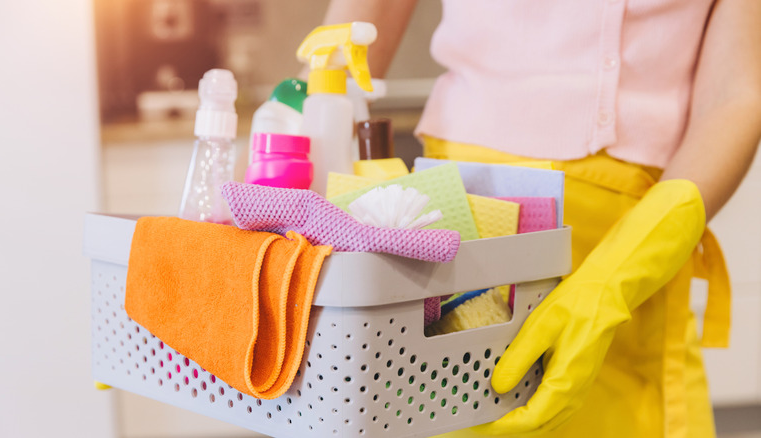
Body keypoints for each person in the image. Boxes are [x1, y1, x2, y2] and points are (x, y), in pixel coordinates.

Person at [313, 0, 761, 437]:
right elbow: (334, 62)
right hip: (456, 233)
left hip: (634, 249)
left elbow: (736, 96)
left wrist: (613, 281)